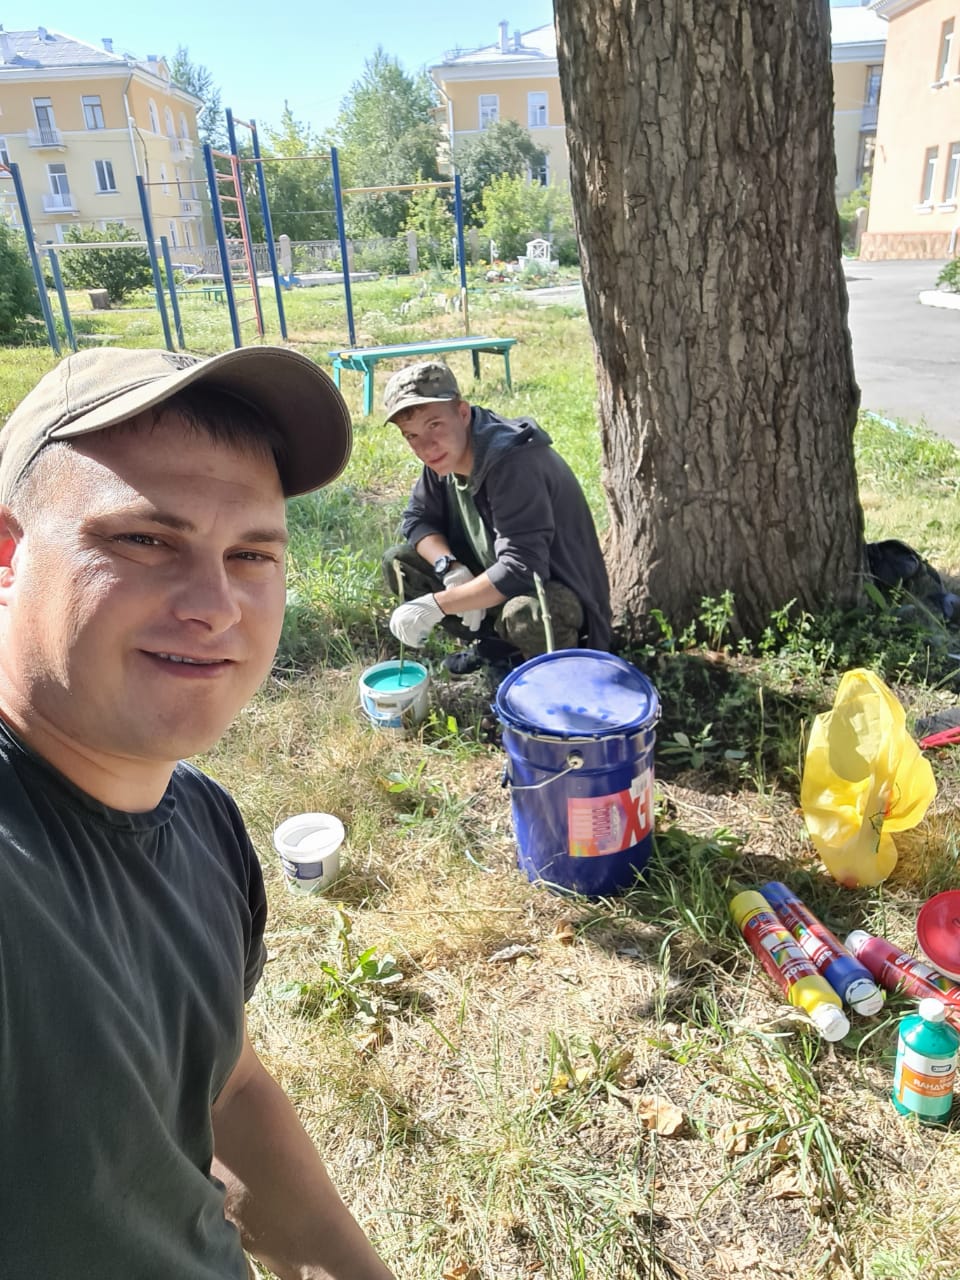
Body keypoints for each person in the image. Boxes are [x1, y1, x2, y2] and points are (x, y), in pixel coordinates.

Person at [0, 346, 394, 1280]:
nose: (216, 607)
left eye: (251, 554)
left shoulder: (203, 821)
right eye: (146, 540)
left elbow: (225, 1086)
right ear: (8, 556)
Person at [383, 361, 611, 674]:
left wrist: (437, 604)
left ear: (463, 413)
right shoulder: (444, 455)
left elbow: (521, 570)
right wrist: (450, 567)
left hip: (556, 593)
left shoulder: (513, 464)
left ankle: (559, 673)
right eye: (412, 435)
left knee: (526, 614)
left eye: (434, 425)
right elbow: (417, 519)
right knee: (401, 562)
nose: (425, 447)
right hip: (502, 574)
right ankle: (495, 647)